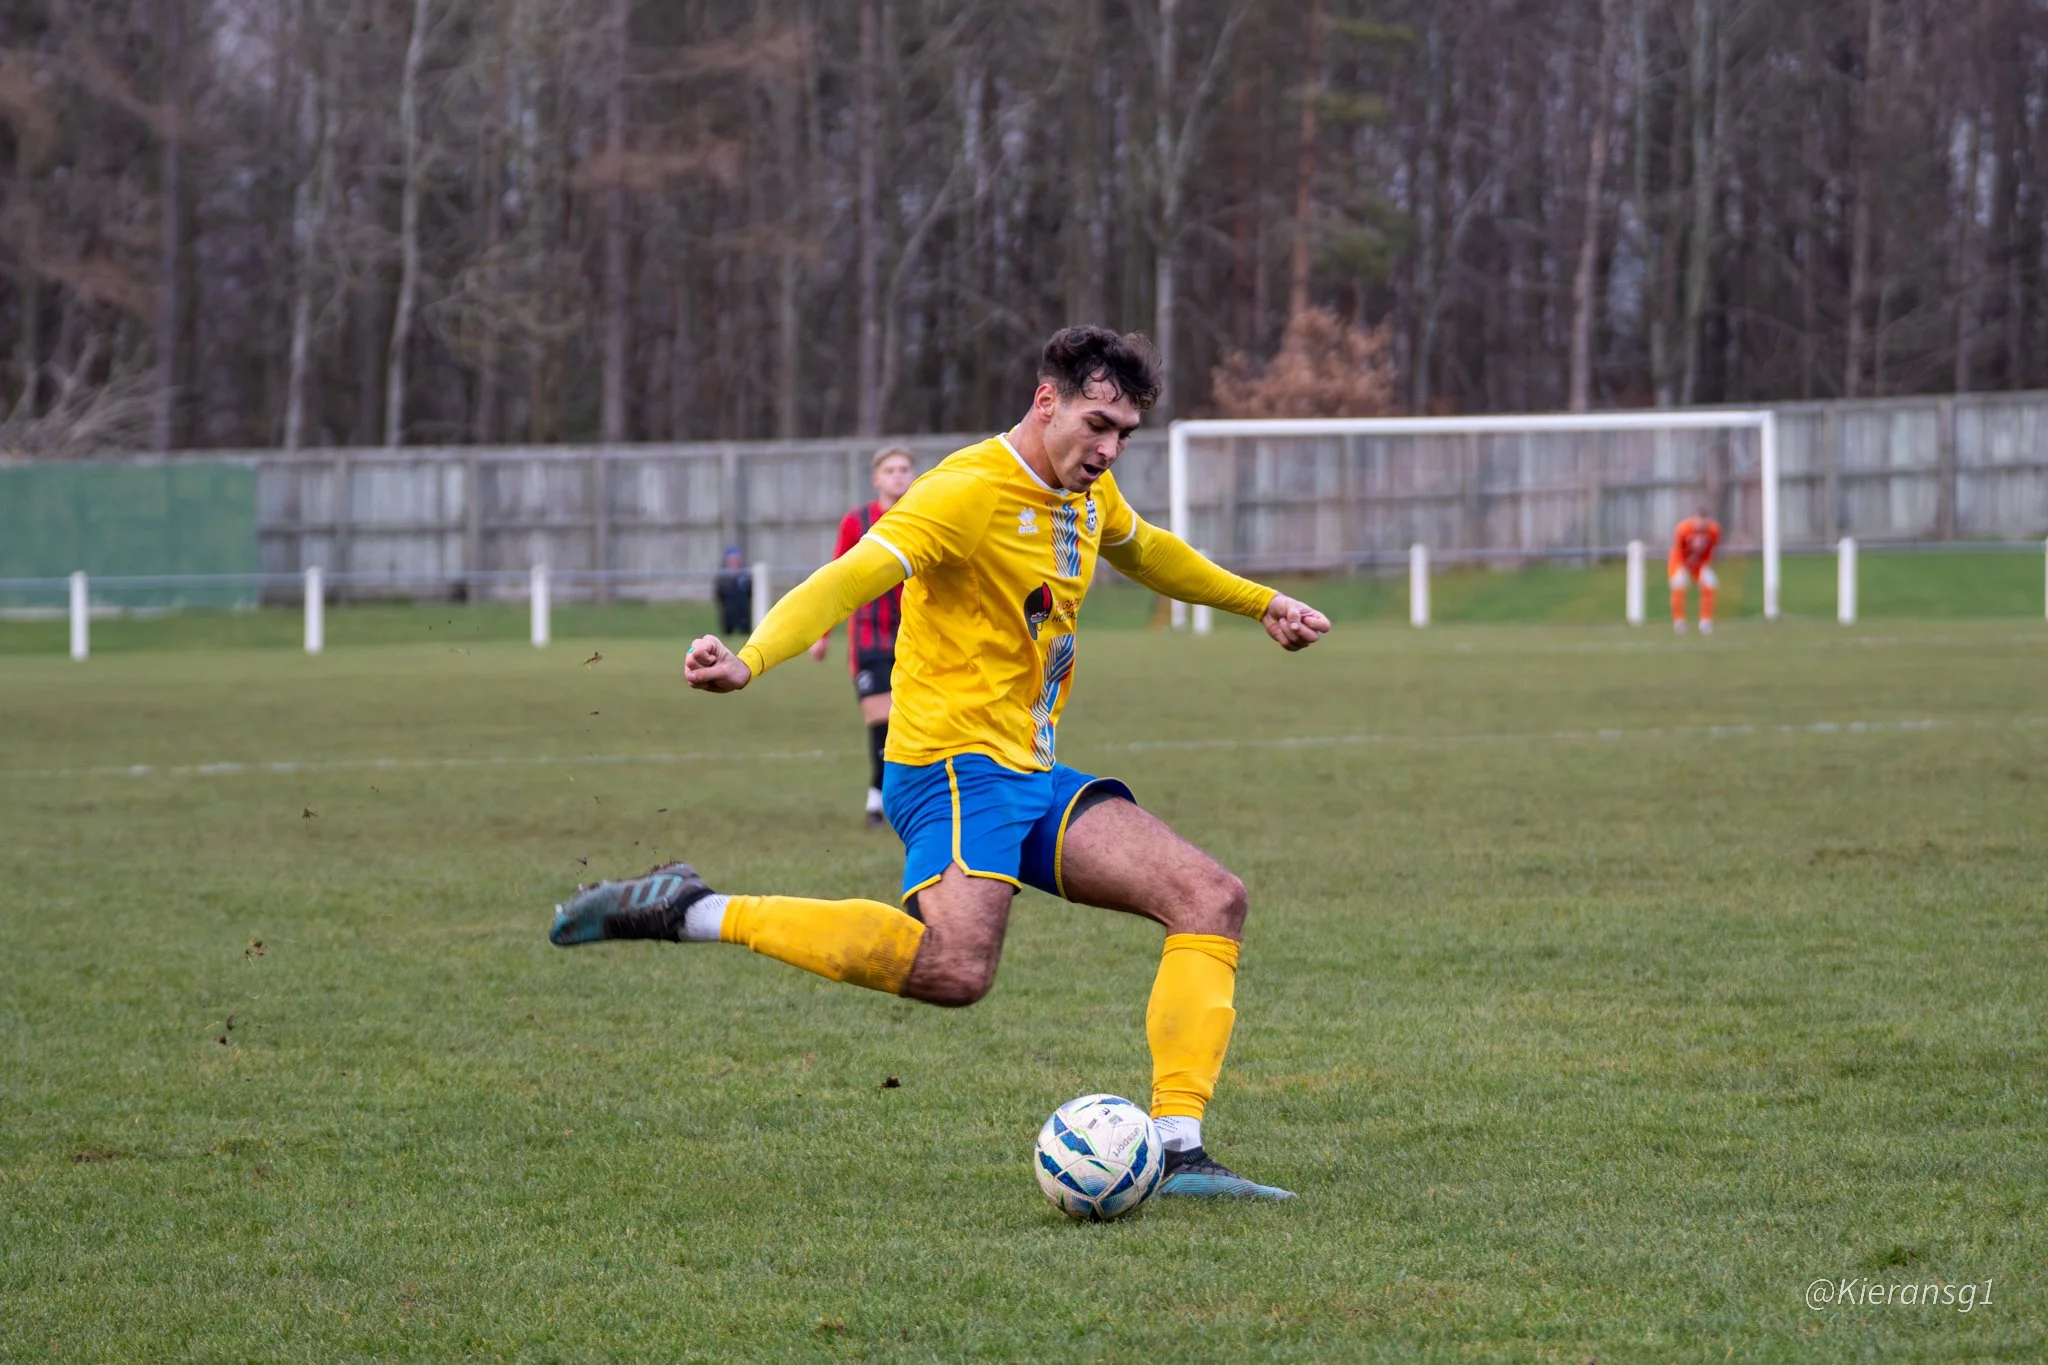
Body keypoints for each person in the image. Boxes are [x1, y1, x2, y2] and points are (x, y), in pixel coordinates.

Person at [549, 326, 1332, 1200]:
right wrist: (753, 657)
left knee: (1211, 897)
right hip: (951, 768)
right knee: (957, 970)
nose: (1110, 450)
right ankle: (693, 910)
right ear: (1048, 402)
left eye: (1126, 435)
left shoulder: (1087, 494)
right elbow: (848, 578)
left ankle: (1180, 1153)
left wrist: (1260, 601)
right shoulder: (962, 491)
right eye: (1097, 424)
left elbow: (1145, 548)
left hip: (1029, 770)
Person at [809, 447, 918, 826]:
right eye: (891, 470)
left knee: (912, 720)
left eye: (905, 469)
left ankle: (893, 794)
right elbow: (837, 577)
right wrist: (821, 634)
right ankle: (878, 798)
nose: (899, 476)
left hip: (916, 632)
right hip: (869, 635)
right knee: (880, 718)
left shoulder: (924, 516)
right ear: (877, 478)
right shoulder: (857, 521)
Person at [1669, 508, 1721, 634]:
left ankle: (1705, 622)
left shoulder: (1713, 530)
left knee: (1709, 584)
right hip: (1680, 561)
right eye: (1699, 521)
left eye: (1704, 521)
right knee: (1679, 585)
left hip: (1699, 562)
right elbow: (1679, 549)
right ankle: (1679, 622)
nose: (1701, 525)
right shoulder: (1683, 529)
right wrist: (1682, 566)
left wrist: (1705, 564)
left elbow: (1711, 549)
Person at [714, 547, 752, 637]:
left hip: (743, 610)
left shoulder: (745, 576)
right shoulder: (723, 577)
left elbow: (750, 593)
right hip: (729, 611)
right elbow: (719, 594)